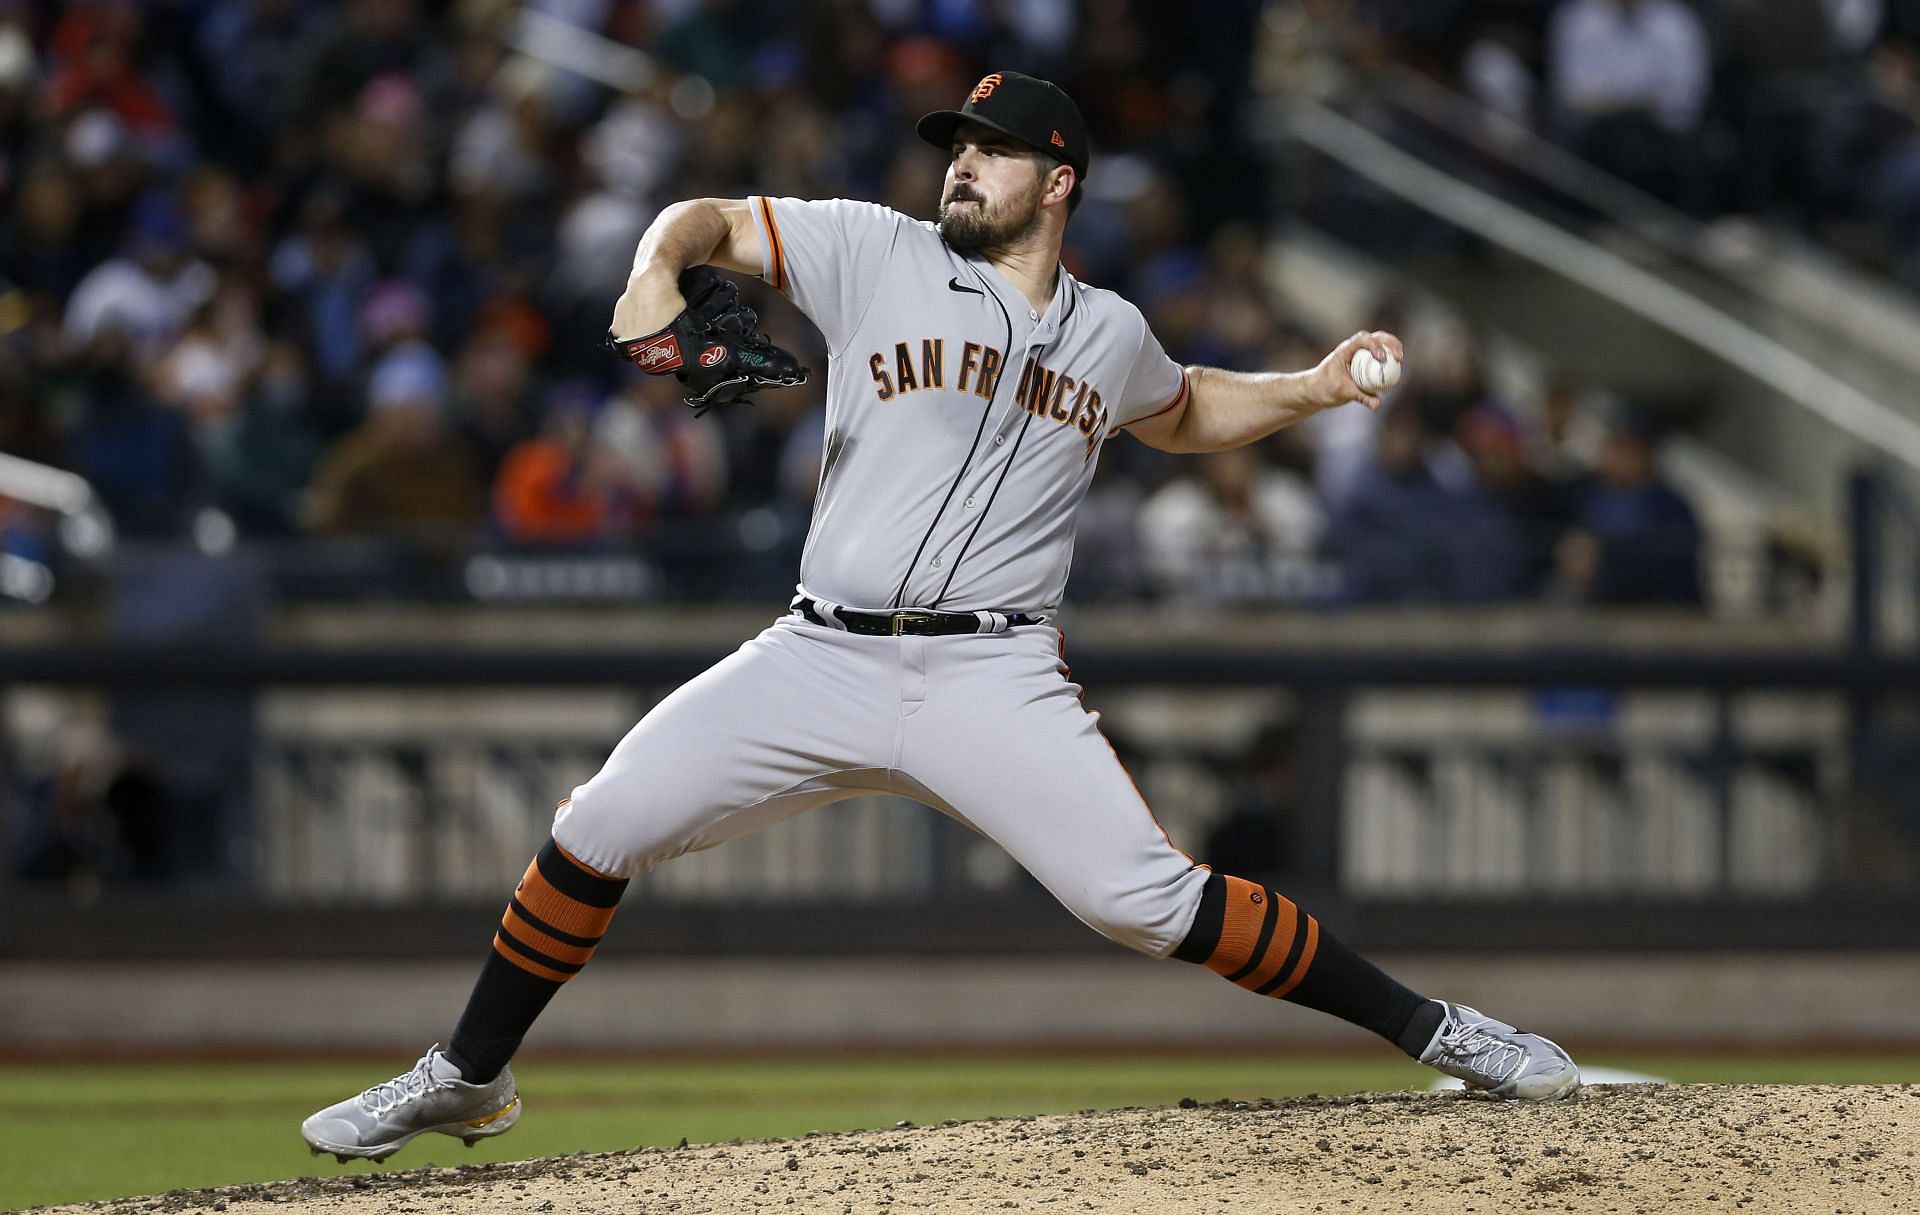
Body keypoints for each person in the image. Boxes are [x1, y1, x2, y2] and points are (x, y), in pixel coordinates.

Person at [301, 71, 1579, 1164]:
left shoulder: (1110, 333)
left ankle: (1441, 1031)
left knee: (1146, 903)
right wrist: (652, 272)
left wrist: (1307, 387)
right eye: (955, 149)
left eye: (990, 152)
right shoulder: (873, 249)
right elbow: (703, 221)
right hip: (819, 652)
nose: (961, 167)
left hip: (993, 678)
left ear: (1059, 180)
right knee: (600, 828)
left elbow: (1184, 411)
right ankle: (470, 1074)